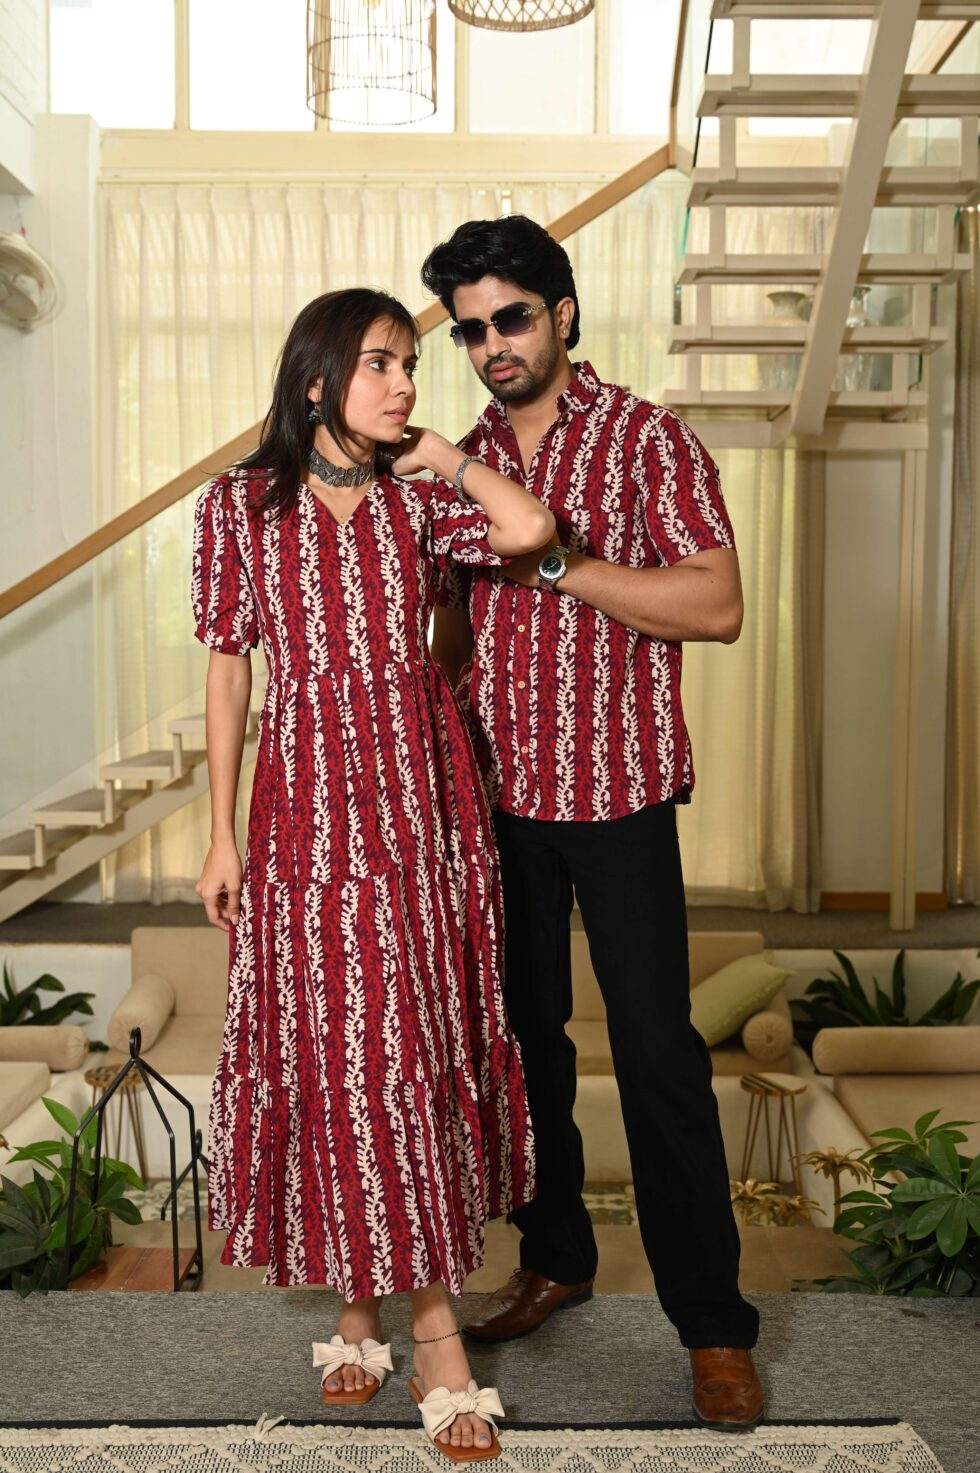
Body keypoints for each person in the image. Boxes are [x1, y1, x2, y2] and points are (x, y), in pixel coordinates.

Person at [192, 287, 553, 1461]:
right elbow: (229, 675)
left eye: (409, 364)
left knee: (402, 1039)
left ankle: (401, 1320)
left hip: (418, 801)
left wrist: (444, 455)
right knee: (332, 1045)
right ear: (316, 383)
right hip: (301, 805)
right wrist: (218, 834)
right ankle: (386, 1313)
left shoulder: (418, 498)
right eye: (380, 365)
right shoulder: (240, 506)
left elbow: (527, 531)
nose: (405, 384)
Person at [421, 217, 764, 1430]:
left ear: (561, 313)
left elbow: (714, 606)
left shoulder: (645, 439)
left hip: (615, 793)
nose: (490, 345)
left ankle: (712, 1326)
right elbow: (454, 633)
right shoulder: (458, 459)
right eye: (469, 330)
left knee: (657, 1053)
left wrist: (557, 566)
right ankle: (555, 1259)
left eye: (509, 318)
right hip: (496, 803)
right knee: (524, 1049)